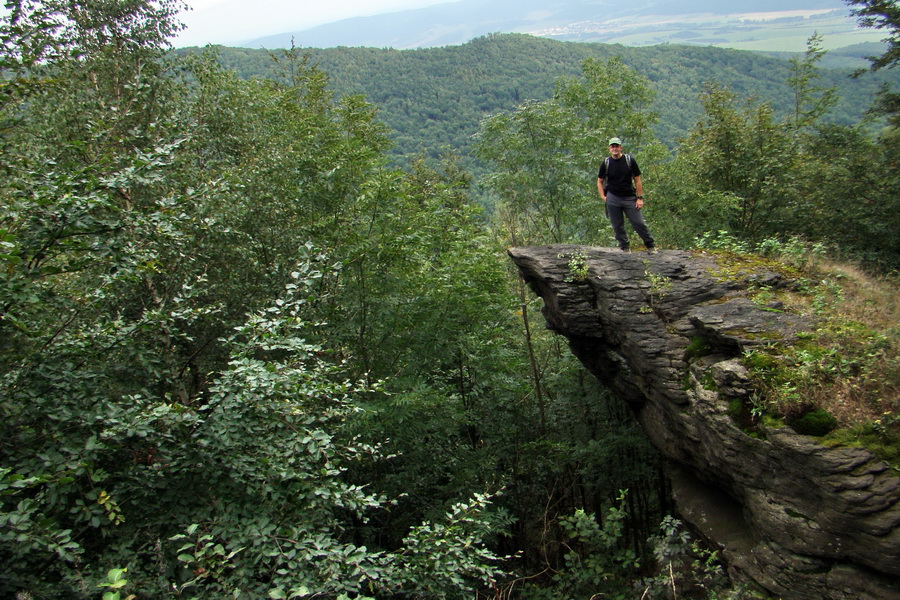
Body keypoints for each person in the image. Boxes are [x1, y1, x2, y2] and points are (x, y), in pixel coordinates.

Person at [597, 137, 657, 254]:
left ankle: (650, 246)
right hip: (613, 197)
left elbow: (637, 180)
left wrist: (639, 198)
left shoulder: (629, 160)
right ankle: (625, 248)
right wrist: (603, 197)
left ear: (620, 148)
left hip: (629, 197)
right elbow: (600, 180)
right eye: (612, 146)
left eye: (616, 146)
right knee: (617, 226)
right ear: (609, 148)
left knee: (638, 223)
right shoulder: (606, 163)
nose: (614, 148)